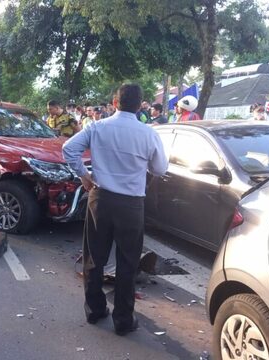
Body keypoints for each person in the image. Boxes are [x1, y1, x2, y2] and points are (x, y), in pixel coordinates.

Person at [62, 84, 168, 336]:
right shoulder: (149, 134)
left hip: (101, 199)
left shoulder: (98, 127)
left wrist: (85, 176)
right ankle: (123, 319)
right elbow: (161, 169)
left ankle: (95, 310)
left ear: (115, 102)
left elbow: (68, 149)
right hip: (131, 204)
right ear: (140, 104)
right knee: (128, 262)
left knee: (94, 258)